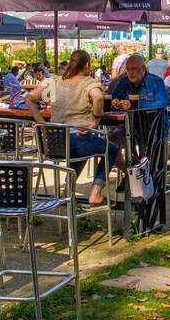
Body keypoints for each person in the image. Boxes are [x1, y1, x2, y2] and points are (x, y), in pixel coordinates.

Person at [27, 49, 115, 206]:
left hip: (54, 144)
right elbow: (98, 97)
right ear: (87, 65)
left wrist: (42, 124)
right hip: (78, 140)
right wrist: (96, 120)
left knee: (79, 148)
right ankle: (96, 193)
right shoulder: (88, 82)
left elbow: (29, 98)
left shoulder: (54, 81)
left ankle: (67, 191)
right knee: (111, 149)